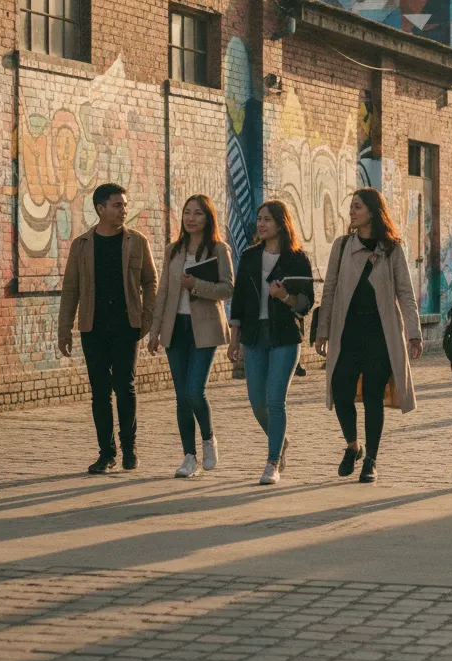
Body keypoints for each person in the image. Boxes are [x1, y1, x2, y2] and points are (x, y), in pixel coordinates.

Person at [316, 188, 423, 483]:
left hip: (381, 334)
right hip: (346, 333)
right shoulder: (341, 246)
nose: (352, 212)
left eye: (357, 207)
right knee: (341, 389)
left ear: (373, 212)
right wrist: (322, 331)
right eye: (351, 206)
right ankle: (353, 446)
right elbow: (329, 290)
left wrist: (414, 333)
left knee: (374, 396)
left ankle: (371, 460)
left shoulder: (391, 248)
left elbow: (405, 292)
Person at [58, 183, 158, 474]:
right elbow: (71, 288)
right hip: (93, 327)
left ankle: (129, 447)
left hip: (127, 326)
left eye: (125, 205)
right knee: (100, 392)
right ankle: (106, 453)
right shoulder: (82, 245)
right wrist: (64, 330)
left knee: (125, 387)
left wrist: (147, 318)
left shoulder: (137, 241)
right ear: (100, 209)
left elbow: (150, 281)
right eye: (117, 205)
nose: (123, 210)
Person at [228, 201, 315, 485]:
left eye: (267, 219)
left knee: (276, 401)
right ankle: (281, 440)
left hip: (285, 337)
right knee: (257, 403)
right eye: (259, 219)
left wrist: (285, 297)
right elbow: (239, 301)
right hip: (254, 336)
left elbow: (306, 304)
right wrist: (234, 341)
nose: (261, 224)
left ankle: (272, 462)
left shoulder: (297, 258)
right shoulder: (249, 256)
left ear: (281, 223)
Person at [148, 195, 233, 478]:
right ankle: (189, 457)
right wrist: (155, 331)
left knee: (195, 390)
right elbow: (163, 291)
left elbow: (227, 289)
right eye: (187, 212)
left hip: (204, 327)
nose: (191, 218)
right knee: (181, 396)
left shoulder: (218, 249)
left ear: (208, 218)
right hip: (175, 327)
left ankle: (208, 439)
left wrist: (197, 285)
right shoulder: (173, 250)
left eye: (197, 213)